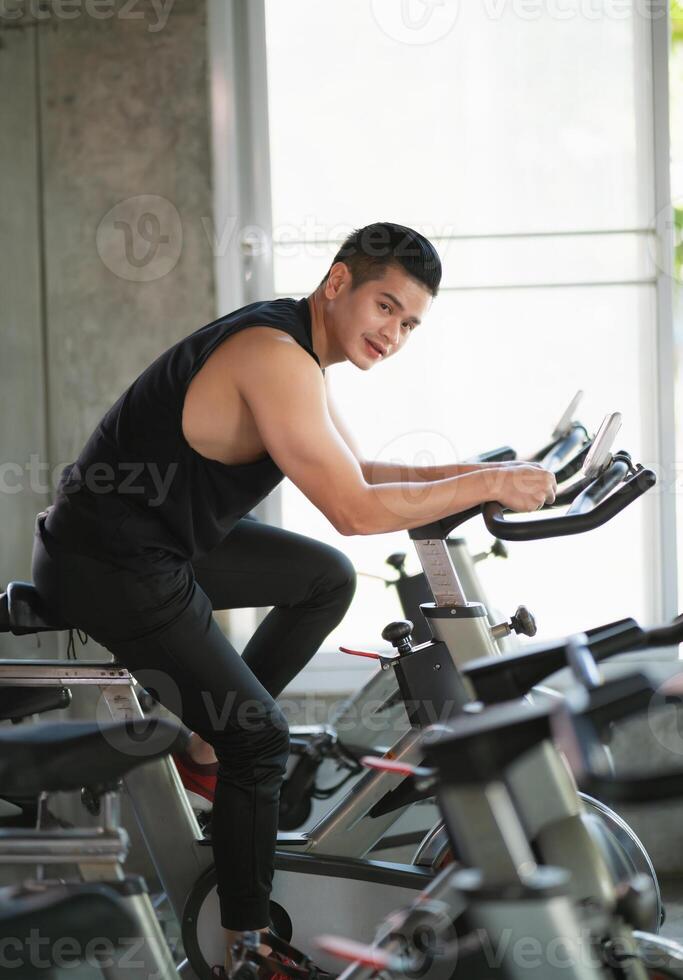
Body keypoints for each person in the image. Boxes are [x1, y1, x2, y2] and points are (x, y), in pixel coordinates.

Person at [31, 221, 556, 978]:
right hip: (109, 562)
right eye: (385, 307)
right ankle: (246, 948)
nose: (393, 334)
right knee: (264, 741)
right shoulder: (274, 356)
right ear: (337, 283)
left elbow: (361, 473)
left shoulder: (301, 350)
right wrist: (489, 485)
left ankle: (207, 750)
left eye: (409, 323)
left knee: (323, 578)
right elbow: (355, 511)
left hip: (156, 539)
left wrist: (475, 471)